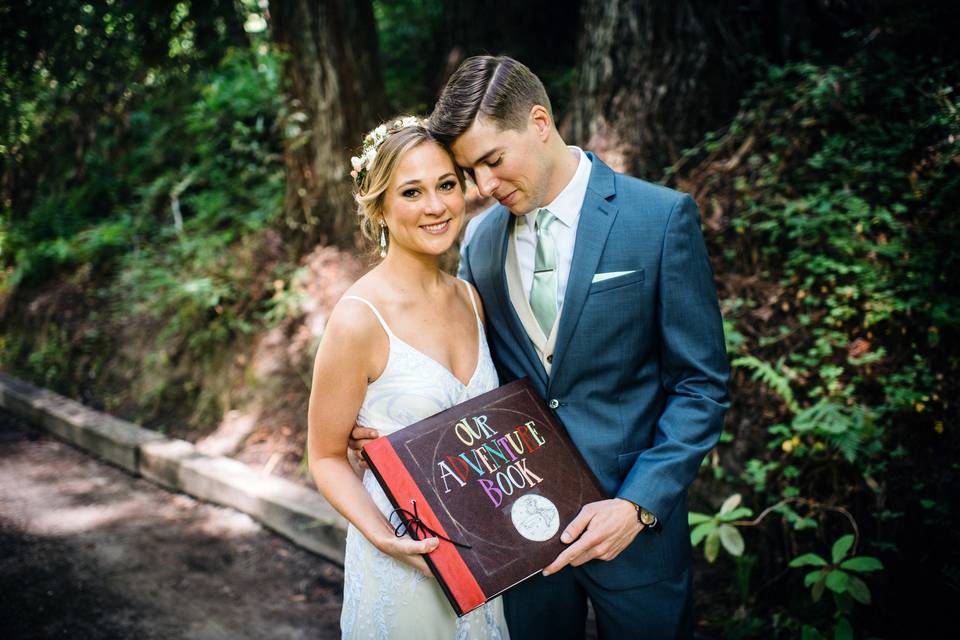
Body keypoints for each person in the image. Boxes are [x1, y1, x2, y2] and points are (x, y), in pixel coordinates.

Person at [351, 57, 730, 639]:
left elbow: (700, 385)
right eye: (468, 171)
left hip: (637, 541)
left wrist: (637, 505)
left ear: (539, 122)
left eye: (492, 161)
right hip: (519, 546)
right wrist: (387, 426)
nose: (483, 187)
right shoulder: (478, 242)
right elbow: (476, 380)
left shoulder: (658, 219)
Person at [306, 116, 510, 639]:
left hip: (481, 561)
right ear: (378, 207)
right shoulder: (358, 320)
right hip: (404, 565)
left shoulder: (470, 298)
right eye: (412, 192)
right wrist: (381, 536)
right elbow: (326, 456)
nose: (437, 206)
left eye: (446, 184)